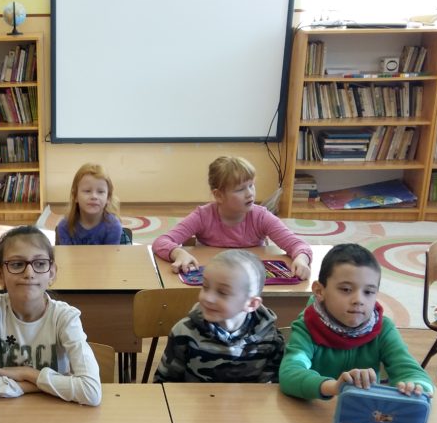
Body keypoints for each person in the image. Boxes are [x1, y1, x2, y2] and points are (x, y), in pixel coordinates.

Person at [0, 225, 102, 406]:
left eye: (40, 264)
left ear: (52, 273)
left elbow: (91, 391)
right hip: (3, 413)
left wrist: (28, 374)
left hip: (58, 415)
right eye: (17, 264)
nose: (29, 273)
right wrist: (39, 385)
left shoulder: (65, 317)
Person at [279, 243, 433, 400]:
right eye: (346, 289)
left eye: (368, 292)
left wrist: (417, 386)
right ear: (319, 291)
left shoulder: (383, 329)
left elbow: (411, 370)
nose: (358, 300)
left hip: (366, 410)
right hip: (317, 409)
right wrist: (334, 387)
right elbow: (290, 374)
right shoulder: (307, 327)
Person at [152, 156, 312, 279]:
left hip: (248, 280)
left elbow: (299, 246)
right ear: (219, 195)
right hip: (213, 279)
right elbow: (161, 242)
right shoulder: (203, 216)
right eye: (240, 189)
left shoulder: (261, 217)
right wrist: (179, 253)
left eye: (251, 185)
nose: (250, 193)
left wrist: (301, 259)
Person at [154, 250, 285, 383]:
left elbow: (269, 390)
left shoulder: (271, 339)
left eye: (223, 292)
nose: (208, 298)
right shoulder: (184, 331)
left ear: (251, 304)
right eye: (205, 286)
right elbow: (164, 383)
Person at [55, 163, 124, 245]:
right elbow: (66, 253)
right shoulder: (64, 227)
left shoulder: (113, 226)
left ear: (108, 198)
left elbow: (110, 254)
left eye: (100, 192)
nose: (94, 196)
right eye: (87, 191)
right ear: (75, 196)